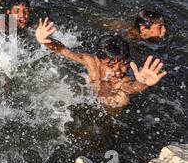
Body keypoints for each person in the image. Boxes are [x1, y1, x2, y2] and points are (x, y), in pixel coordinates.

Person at [35, 18, 167, 108]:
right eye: (111, 65)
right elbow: (64, 50)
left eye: (122, 64)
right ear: (99, 60)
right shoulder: (91, 62)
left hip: (108, 110)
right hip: (87, 99)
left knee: (121, 99)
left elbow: (131, 87)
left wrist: (143, 84)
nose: (117, 71)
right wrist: (46, 41)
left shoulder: (122, 80)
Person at [97, 10, 167, 43]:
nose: (164, 30)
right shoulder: (131, 38)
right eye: (160, 27)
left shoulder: (145, 37)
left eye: (164, 26)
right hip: (105, 23)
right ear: (143, 29)